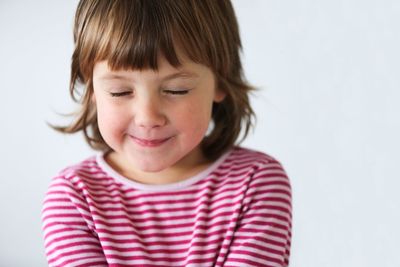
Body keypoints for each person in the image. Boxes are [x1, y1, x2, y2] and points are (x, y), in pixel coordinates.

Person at [41, 1, 292, 266]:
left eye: (176, 90)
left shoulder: (256, 183)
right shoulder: (73, 197)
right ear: (92, 90)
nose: (148, 117)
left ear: (221, 81)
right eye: (120, 92)